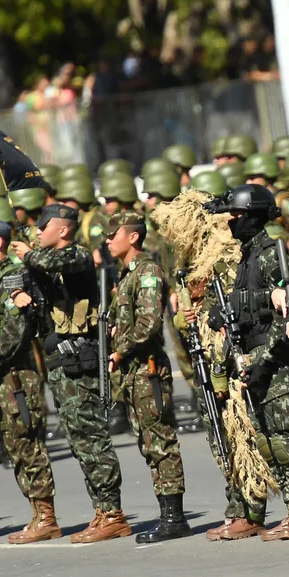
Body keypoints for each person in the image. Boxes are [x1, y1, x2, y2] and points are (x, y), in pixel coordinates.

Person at [204, 183, 289, 541]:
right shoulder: (246, 255)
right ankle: (286, 509)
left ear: (252, 217)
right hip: (250, 359)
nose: (230, 223)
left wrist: (264, 360)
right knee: (265, 439)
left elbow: (287, 311)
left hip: (272, 360)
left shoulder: (271, 253)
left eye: (236, 216)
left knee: (286, 437)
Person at [11, 204, 129, 543]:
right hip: (61, 363)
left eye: (42, 227)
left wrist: (29, 255)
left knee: (92, 439)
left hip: (81, 360)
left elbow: (52, 261)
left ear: (62, 230)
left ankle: (112, 513)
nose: (36, 232)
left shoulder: (75, 255)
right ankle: (102, 511)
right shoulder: (45, 261)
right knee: (78, 440)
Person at [0, 218, 61, 543]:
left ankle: (47, 517)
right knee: (15, 445)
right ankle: (38, 513)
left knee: (27, 443)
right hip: (0, 372)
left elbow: (15, 327)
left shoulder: (11, 276)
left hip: (15, 375)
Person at [104, 211, 191, 543]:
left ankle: (174, 516)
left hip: (148, 369)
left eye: (114, 234)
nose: (109, 240)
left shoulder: (147, 272)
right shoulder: (127, 276)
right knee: (147, 441)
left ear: (134, 237)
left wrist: (118, 350)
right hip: (133, 370)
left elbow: (149, 323)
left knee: (160, 441)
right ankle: (167, 512)